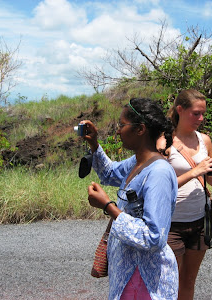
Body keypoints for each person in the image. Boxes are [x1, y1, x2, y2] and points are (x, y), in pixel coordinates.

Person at [82, 98, 178, 300]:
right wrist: (94, 143)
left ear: (140, 129)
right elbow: (108, 173)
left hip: (145, 280)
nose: (118, 131)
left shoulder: (158, 172)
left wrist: (109, 206)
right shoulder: (137, 163)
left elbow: (154, 238)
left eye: (122, 125)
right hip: (129, 276)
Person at [164, 89, 212, 300]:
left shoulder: (205, 140)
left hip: (200, 220)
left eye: (203, 114)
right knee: (169, 281)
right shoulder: (164, 142)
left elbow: (208, 179)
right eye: (195, 113)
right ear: (180, 110)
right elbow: (160, 187)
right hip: (171, 223)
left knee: (188, 281)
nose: (201, 119)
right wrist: (195, 171)